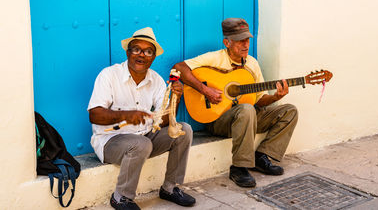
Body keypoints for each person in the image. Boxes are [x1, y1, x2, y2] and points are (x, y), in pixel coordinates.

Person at [174, 18, 298, 188]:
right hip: (219, 120)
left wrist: (276, 97)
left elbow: (260, 99)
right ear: (227, 42)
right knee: (247, 109)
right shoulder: (215, 58)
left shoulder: (252, 63)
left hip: (247, 118)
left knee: (289, 111)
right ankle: (239, 167)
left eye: (247, 40)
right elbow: (179, 68)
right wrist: (206, 91)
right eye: (240, 41)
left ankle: (262, 156)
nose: (245, 45)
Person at [88, 27, 196, 210]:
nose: (142, 55)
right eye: (136, 49)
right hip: (110, 142)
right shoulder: (109, 75)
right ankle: (121, 197)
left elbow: (165, 121)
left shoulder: (156, 80)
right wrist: (126, 115)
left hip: (145, 138)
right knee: (140, 143)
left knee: (183, 130)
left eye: (148, 51)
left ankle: (170, 188)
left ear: (153, 57)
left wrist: (176, 99)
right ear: (128, 52)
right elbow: (94, 115)